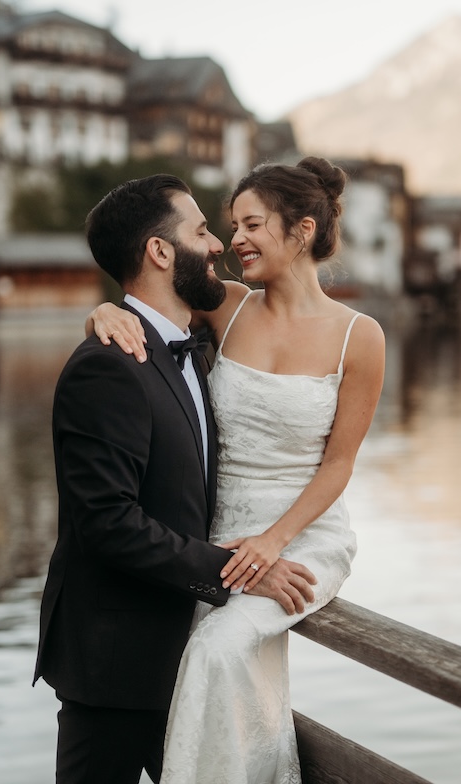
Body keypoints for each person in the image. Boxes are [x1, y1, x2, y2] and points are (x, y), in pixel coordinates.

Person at [87, 156, 387, 783]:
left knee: (217, 651)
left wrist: (273, 542)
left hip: (300, 537)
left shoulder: (360, 336)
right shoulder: (228, 307)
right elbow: (150, 303)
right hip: (216, 538)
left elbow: (339, 465)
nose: (234, 240)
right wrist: (103, 314)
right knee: (203, 677)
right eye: (230, 226)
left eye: (252, 224)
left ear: (302, 230)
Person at [34, 174, 320, 784]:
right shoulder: (107, 367)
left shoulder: (192, 344)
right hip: (115, 661)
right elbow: (108, 523)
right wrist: (237, 570)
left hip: (184, 654)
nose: (217, 244)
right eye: (200, 231)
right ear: (160, 252)